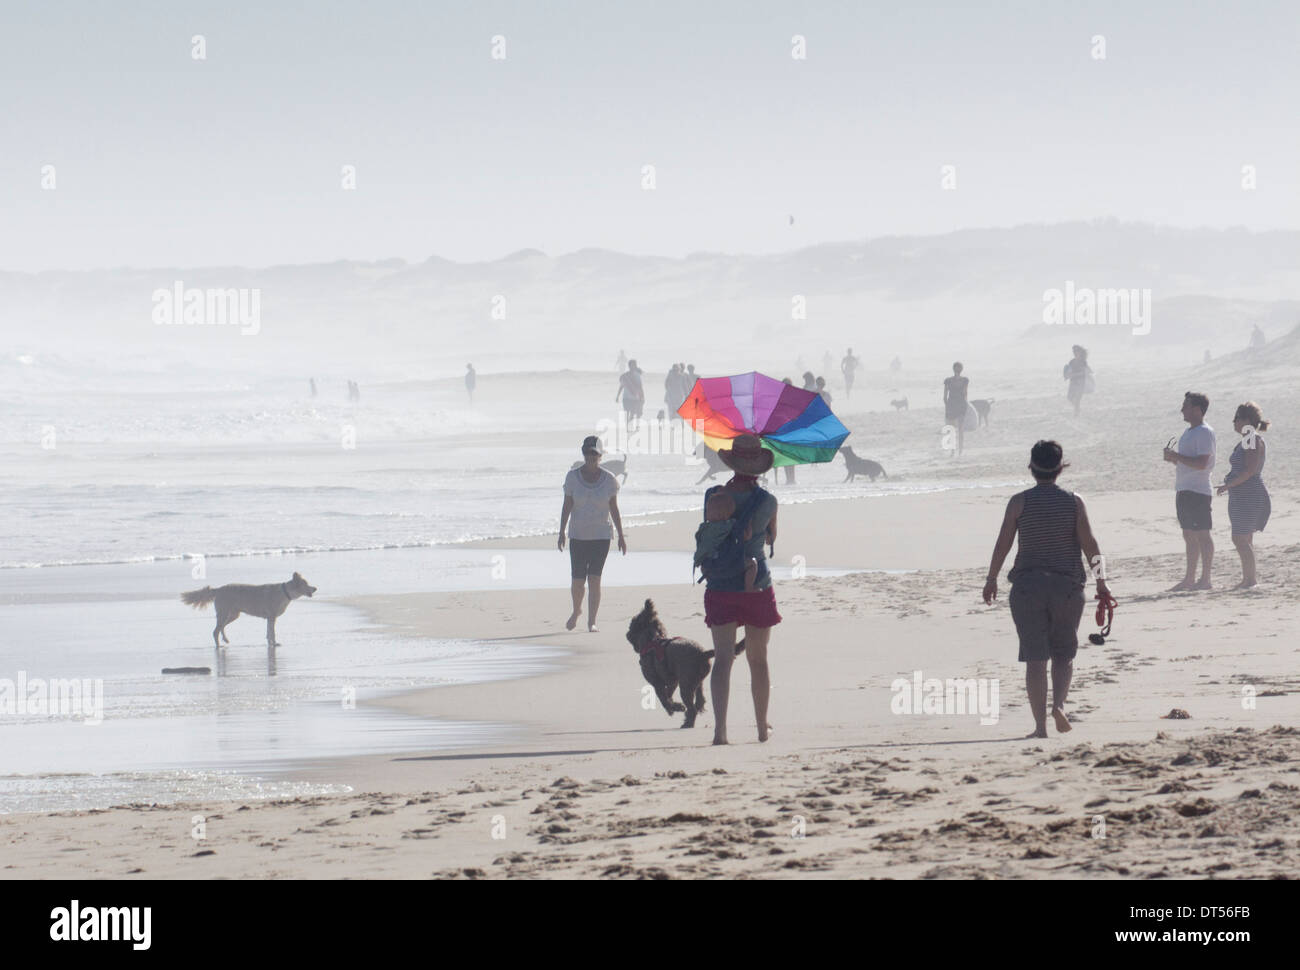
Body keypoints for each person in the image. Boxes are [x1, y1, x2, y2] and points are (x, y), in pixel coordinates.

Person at [983, 440, 1111, 738]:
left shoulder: (1019, 502)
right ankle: (1060, 706)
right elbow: (1090, 544)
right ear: (1060, 467)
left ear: (1031, 467)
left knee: (1035, 659)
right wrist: (1102, 582)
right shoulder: (1074, 501)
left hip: (1028, 587)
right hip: (1066, 587)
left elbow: (1003, 543)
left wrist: (991, 578)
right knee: (1063, 654)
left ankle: (1040, 727)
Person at [703, 434, 780, 745]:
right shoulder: (768, 501)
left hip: (721, 583)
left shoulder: (712, 494)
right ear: (759, 467)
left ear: (732, 461)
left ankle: (720, 731)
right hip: (756, 584)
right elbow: (771, 540)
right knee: (758, 660)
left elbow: (709, 535)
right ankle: (761, 727)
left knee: (723, 659)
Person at [558, 435, 626, 632]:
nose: (591, 457)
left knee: (594, 579)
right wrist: (561, 531)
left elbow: (614, 508)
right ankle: (576, 610)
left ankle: (591, 621)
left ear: (600, 456)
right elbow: (567, 505)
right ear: (583, 454)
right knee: (577, 581)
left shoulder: (609, 480)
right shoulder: (572, 477)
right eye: (588, 453)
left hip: (601, 536)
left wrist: (621, 535)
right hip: (578, 536)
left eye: (594, 454)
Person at [1164, 391, 1216, 590]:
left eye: (1185, 406)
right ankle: (1189, 578)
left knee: (1202, 534)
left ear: (1197, 409)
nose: (1182, 409)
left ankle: (1206, 579)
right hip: (1184, 488)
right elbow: (1188, 462)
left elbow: (1202, 463)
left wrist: (1176, 456)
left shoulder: (1204, 431)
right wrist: (1173, 458)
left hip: (1199, 490)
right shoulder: (1189, 432)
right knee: (1188, 534)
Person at [1216, 402, 1271, 588]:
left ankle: (1250, 580)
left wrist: (1227, 485)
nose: (1234, 422)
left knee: (1240, 537)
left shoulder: (1252, 438)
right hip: (1242, 494)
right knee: (1244, 537)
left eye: (1236, 418)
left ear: (1246, 420)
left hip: (1249, 493)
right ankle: (1247, 579)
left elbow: (1250, 470)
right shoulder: (1248, 439)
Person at [694, 491, 758, 592]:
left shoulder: (704, 529)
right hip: (732, 566)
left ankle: (711, 583)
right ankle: (749, 587)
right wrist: (749, 523)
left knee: (703, 567)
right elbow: (746, 536)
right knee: (752, 563)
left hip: (710, 569)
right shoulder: (730, 525)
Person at [943, 362, 969, 456]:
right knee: (961, 429)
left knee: (952, 429)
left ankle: (952, 451)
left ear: (953, 369)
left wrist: (948, 406)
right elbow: (965, 394)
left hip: (951, 406)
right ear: (961, 370)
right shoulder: (965, 380)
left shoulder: (948, 381)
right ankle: (960, 451)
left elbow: (945, 397)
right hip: (961, 405)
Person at [1063, 345, 1092, 417]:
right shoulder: (1072, 361)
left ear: (1080, 352)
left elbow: (1085, 371)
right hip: (1073, 382)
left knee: (1077, 399)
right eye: (1074, 352)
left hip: (1081, 382)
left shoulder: (1083, 362)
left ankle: (1076, 413)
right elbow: (1068, 371)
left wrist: (1075, 374)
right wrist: (1066, 375)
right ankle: (1077, 409)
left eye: (1076, 351)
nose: (1075, 353)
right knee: (1069, 397)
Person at [615, 360, 644, 431]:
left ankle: (629, 426)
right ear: (629, 366)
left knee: (632, 413)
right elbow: (621, 386)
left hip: (635, 398)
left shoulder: (637, 375)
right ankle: (628, 427)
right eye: (632, 365)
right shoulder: (625, 376)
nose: (633, 366)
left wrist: (642, 396)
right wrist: (617, 396)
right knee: (627, 413)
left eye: (634, 365)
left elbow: (640, 387)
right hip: (626, 398)